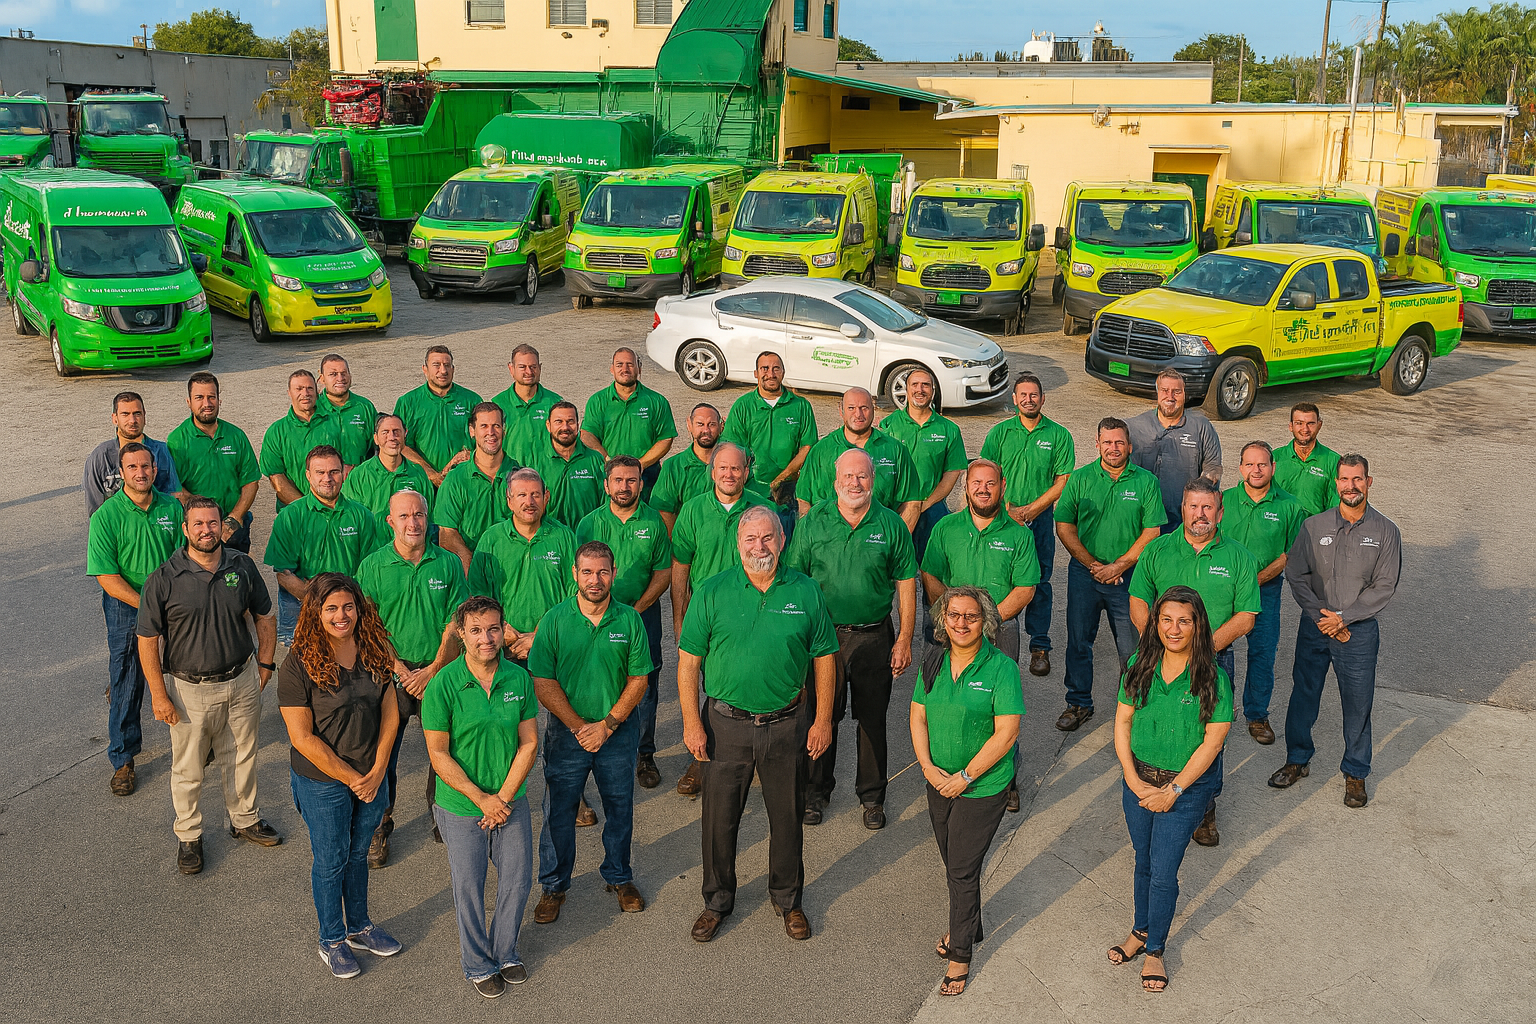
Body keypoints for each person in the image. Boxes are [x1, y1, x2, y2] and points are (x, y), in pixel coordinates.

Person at [678, 507, 838, 943]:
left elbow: (825, 658)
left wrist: (822, 719)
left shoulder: (805, 591)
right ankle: (716, 901)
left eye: (767, 538)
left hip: (787, 724)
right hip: (725, 725)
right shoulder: (711, 591)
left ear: (782, 540)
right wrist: (692, 723)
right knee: (719, 819)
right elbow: (688, 663)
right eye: (750, 540)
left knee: (786, 817)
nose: (759, 547)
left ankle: (788, 900)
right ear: (738, 544)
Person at [136, 496, 280, 873]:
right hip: (188, 690)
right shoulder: (164, 579)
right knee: (188, 768)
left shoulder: (241, 566)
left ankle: (244, 819)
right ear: (185, 529)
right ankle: (189, 836)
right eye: (198, 524)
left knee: (243, 755)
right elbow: (147, 639)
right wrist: (157, 692)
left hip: (241, 678)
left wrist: (265, 663)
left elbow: (265, 615)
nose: (206, 530)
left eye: (212, 523)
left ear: (222, 526)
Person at [277, 573, 404, 979]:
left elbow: (390, 707)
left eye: (348, 606)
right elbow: (301, 737)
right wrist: (353, 778)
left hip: (371, 771)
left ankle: (359, 926)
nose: (341, 615)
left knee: (358, 853)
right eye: (331, 608)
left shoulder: (373, 646)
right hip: (324, 781)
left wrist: (380, 765)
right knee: (331, 859)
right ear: (315, 611)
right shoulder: (298, 663)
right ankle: (330, 938)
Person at [785, 448, 917, 830]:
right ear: (835, 480)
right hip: (823, 641)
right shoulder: (813, 523)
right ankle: (815, 793)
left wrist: (904, 638)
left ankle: (872, 797)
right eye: (848, 476)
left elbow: (906, 583)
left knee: (872, 721)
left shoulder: (891, 525)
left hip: (875, 637)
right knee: (820, 716)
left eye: (862, 477)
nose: (855, 483)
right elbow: (795, 580)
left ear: (873, 481)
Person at [1109, 586, 1232, 994]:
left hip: (1186, 788)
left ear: (1198, 625)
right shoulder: (1138, 664)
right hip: (1139, 779)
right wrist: (1132, 778)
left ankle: (1155, 951)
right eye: (1166, 620)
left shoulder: (1213, 675)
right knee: (1142, 860)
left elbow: (1212, 743)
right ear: (1155, 623)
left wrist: (1174, 790)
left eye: (1184, 621)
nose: (1173, 629)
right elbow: (1123, 723)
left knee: (1162, 871)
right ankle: (1140, 930)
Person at [528, 542, 654, 924]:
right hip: (568, 736)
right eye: (587, 572)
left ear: (613, 573)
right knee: (559, 813)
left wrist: (607, 725)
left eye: (602, 572)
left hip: (617, 732)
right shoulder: (554, 620)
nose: (595, 580)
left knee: (619, 809)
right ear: (574, 574)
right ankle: (554, 886)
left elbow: (639, 680)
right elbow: (543, 681)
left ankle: (619, 876)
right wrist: (580, 727)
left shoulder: (629, 620)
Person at [1129, 478, 1258, 846]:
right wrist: (1154, 643)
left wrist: (1200, 651)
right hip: (1158, 659)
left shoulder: (1239, 557)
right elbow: (1139, 598)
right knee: (1152, 725)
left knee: (1210, 738)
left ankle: (1205, 807)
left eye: (1207, 508)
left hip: (1215, 661)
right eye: (1192, 506)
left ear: (1219, 512)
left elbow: (1246, 615)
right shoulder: (1157, 550)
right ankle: (1149, 789)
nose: (1199, 514)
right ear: (1182, 509)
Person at [422, 596, 539, 998]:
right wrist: (480, 799)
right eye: (475, 631)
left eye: (493, 629)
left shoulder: (519, 679)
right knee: (469, 887)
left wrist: (502, 798)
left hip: (510, 799)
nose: (485, 638)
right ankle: (477, 963)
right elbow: (438, 753)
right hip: (459, 805)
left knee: (518, 879)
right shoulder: (443, 685)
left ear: (503, 630)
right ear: (461, 634)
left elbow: (529, 744)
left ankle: (505, 951)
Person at [910, 585, 1023, 997]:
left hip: (983, 786)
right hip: (937, 781)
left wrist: (965, 777)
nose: (961, 623)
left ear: (985, 622)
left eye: (970, 617)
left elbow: (1007, 732)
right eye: (953, 615)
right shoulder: (933, 661)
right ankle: (971, 926)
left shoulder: (1001, 669)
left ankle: (960, 955)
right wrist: (928, 768)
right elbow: (918, 717)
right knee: (954, 862)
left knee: (960, 868)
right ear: (942, 621)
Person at [1270, 455, 1401, 808]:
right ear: (1336, 482)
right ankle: (1297, 759)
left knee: (1358, 704)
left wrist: (1343, 618)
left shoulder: (1386, 532)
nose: (1351, 486)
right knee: (1303, 695)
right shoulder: (1314, 526)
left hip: (1358, 634)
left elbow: (1384, 586)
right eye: (1344, 479)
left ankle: (1355, 773)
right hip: (1315, 628)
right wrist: (1321, 617)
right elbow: (1296, 574)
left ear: (1369, 482)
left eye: (1357, 479)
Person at [356, 489, 468, 867]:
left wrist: (434, 669)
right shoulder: (372, 566)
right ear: (390, 521)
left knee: (444, 746)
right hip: (391, 672)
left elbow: (455, 625)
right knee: (383, 752)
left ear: (428, 518)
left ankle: (444, 813)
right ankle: (380, 823)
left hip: (438, 669)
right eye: (404, 516)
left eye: (419, 515)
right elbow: (369, 627)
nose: (413, 523)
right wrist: (401, 670)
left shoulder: (448, 563)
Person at [920, 459, 1039, 812]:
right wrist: (954, 620)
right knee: (947, 704)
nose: (983, 489)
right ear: (965, 487)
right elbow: (931, 575)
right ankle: (945, 768)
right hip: (951, 631)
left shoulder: (1019, 535)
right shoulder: (945, 528)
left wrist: (985, 623)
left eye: (990, 483)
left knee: (1001, 710)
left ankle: (1005, 780)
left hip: (1001, 630)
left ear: (1002, 487)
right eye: (976, 483)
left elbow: (1025, 588)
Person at [668, 443, 773, 797]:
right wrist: (679, 616)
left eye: (737, 469)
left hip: (756, 610)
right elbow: (680, 568)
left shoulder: (764, 510)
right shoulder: (694, 511)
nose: (730, 474)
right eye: (723, 468)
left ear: (746, 472)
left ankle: (757, 753)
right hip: (707, 613)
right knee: (709, 687)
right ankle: (702, 758)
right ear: (712, 472)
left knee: (748, 677)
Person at [1054, 418, 1166, 732]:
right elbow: (1064, 526)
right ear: (1097, 444)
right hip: (1084, 576)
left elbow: (1152, 530)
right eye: (1107, 442)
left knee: (1131, 648)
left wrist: (1119, 566)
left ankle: (1131, 708)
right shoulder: (1080, 479)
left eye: (1119, 443)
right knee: (1078, 642)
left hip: (1129, 578)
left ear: (1129, 446)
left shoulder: (1145, 482)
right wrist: (1093, 565)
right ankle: (1078, 703)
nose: (1113, 448)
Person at [87, 442, 185, 796]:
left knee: (185, 671)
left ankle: (195, 743)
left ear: (154, 470)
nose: (141, 473)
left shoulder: (172, 508)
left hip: (172, 602)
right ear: (122, 472)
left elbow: (184, 558)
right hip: (125, 604)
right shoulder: (106, 516)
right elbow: (107, 578)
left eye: (147, 466)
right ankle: (123, 758)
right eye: (133, 468)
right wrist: (146, 604)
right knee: (127, 678)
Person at [576, 457, 673, 789]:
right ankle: (590, 748)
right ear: (606, 484)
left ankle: (643, 754)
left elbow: (663, 573)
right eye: (618, 480)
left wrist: (636, 609)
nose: (624, 487)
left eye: (631, 480)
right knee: (594, 682)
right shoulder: (588, 524)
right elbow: (577, 574)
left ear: (641, 484)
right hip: (595, 620)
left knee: (643, 685)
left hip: (642, 615)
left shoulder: (654, 523)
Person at [978, 372, 1075, 676]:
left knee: (1040, 579)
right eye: (1023, 395)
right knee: (1003, 576)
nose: (1028, 400)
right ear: (1014, 399)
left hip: (1041, 517)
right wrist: (1007, 509)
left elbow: (1063, 480)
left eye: (1034, 395)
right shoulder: (999, 433)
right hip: (1002, 517)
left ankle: (1039, 645)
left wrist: (1032, 509)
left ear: (1042, 399)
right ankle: (996, 635)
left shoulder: (1058, 435)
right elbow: (985, 472)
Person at [1220, 441, 1307, 744]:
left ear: (1273, 467)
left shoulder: (1290, 506)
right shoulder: (1223, 501)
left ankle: (1257, 715)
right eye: (1249, 464)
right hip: (1223, 589)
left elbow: (1290, 554)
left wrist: (1255, 580)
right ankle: (1216, 709)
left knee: (1262, 653)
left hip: (1264, 591)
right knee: (1217, 649)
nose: (1256, 470)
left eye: (1262, 464)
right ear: (1240, 467)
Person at [265, 446, 389, 646]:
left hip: (350, 608)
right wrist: (321, 603)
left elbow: (370, 569)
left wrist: (346, 605)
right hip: (305, 604)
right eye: (320, 472)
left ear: (343, 473)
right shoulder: (290, 517)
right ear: (308, 475)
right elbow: (284, 574)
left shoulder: (362, 515)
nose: (327, 478)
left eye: (334, 472)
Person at [468, 469, 577, 663]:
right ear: (509, 500)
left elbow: (574, 593)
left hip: (554, 644)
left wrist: (540, 635)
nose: (530, 502)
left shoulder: (564, 537)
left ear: (546, 497)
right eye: (522, 495)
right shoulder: (491, 540)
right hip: (504, 647)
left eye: (535, 494)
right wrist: (500, 627)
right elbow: (479, 594)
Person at [721, 351, 819, 535]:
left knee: (786, 538)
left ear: (783, 372)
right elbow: (733, 449)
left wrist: (783, 477)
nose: (771, 374)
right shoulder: (743, 406)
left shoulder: (801, 406)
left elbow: (807, 447)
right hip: (751, 488)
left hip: (789, 489)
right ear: (756, 373)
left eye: (776, 368)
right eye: (764, 368)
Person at [798, 388, 920, 528]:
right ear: (841, 410)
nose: (858, 414)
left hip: (878, 539)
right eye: (851, 408)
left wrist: (895, 542)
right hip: (829, 539)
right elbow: (803, 500)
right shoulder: (821, 451)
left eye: (864, 408)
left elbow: (912, 503)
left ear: (873, 409)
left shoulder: (895, 450)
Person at [167, 372, 260, 553]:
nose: (207, 404)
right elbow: (175, 489)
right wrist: (207, 517)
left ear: (219, 400)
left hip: (234, 527)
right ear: (189, 402)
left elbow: (251, 482)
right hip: (200, 530)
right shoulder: (177, 441)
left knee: (236, 578)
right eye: (199, 398)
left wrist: (232, 519)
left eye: (212, 397)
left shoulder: (236, 436)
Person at [879, 368, 966, 558]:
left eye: (925, 385)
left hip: (932, 510)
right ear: (907, 389)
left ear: (933, 391)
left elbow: (952, 473)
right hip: (895, 510)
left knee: (932, 566)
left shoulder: (949, 430)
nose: (920, 389)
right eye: (915, 385)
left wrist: (925, 504)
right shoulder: (888, 426)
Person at [1126, 370, 1222, 533]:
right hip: (1142, 518)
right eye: (1165, 390)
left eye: (1176, 391)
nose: (1170, 396)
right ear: (1157, 392)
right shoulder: (1135, 427)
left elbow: (1213, 467)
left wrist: (1194, 500)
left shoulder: (1201, 426)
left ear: (1185, 394)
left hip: (1182, 521)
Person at [435, 403, 520, 575]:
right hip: (470, 569)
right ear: (472, 431)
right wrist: (469, 562)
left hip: (513, 568)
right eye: (484, 426)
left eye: (496, 426)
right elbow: (446, 532)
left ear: (504, 429)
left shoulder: (520, 476)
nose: (491, 432)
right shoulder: (455, 479)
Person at [581, 347, 677, 495]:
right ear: (612, 369)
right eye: (619, 365)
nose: (624, 369)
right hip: (609, 474)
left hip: (647, 476)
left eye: (630, 364)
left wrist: (640, 464)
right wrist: (607, 460)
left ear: (639, 368)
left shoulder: (657, 401)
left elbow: (665, 438)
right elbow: (587, 434)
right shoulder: (597, 401)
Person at [83, 391, 182, 516]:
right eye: (125, 414)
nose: (132, 420)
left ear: (144, 416)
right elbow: (95, 509)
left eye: (137, 414)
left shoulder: (161, 451)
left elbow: (174, 497)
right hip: (117, 529)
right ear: (115, 418)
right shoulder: (100, 457)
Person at [396, 346, 483, 487]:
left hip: (464, 480)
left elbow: (485, 439)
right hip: (421, 480)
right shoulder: (408, 402)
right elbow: (399, 444)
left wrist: (465, 456)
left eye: (447, 365)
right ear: (425, 369)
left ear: (453, 369)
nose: (443, 371)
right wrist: (429, 472)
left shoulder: (472, 400)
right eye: (436, 365)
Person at [260, 370, 346, 507]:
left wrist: (327, 506)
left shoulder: (338, 423)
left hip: (334, 510)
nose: (305, 393)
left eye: (309, 388)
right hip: (293, 513)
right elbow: (277, 478)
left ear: (317, 391)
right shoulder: (276, 432)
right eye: (299, 389)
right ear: (289, 392)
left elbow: (347, 469)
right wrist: (306, 509)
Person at [340, 413, 434, 529]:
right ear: (376, 438)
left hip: (410, 545)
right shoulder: (359, 476)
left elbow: (429, 517)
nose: (392, 437)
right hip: (372, 546)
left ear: (405, 434)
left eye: (396, 431)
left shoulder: (418, 473)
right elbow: (349, 518)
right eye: (385, 432)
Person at [529, 401, 607, 528]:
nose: (565, 427)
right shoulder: (534, 460)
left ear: (578, 425)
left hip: (588, 534)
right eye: (558, 422)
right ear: (548, 425)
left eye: (570, 421)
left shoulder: (595, 459)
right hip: (549, 535)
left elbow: (605, 502)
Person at [652, 403, 725, 530]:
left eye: (712, 424)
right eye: (700, 424)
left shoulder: (733, 462)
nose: (706, 430)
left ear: (721, 426)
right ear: (689, 425)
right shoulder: (673, 466)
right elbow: (663, 510)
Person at [492, 343, 565, 465]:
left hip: (546, 477)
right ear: (511, 369)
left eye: (533, 367)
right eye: (522, 367)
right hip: (511, 477)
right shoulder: (497, 404)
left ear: (540, 368)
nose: (529, 372)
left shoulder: (555, 402)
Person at [1272, 403, 1342, 516]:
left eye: (1310, 423)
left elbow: (1336, 505)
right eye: (1299, 423)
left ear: (1319, 425)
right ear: (1291, 426)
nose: (1305, 429)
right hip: (1280, 527)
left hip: (1315, 529)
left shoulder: (1334, 461)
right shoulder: (1274, 458)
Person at [318, 354, 379, 469]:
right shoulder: (314, 409)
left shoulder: (365, 407)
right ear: (322, 378)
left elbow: (377, 447)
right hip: (324, 481)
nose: (340, 378)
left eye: (344, 373)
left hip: (359, 480)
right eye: (333, 374)